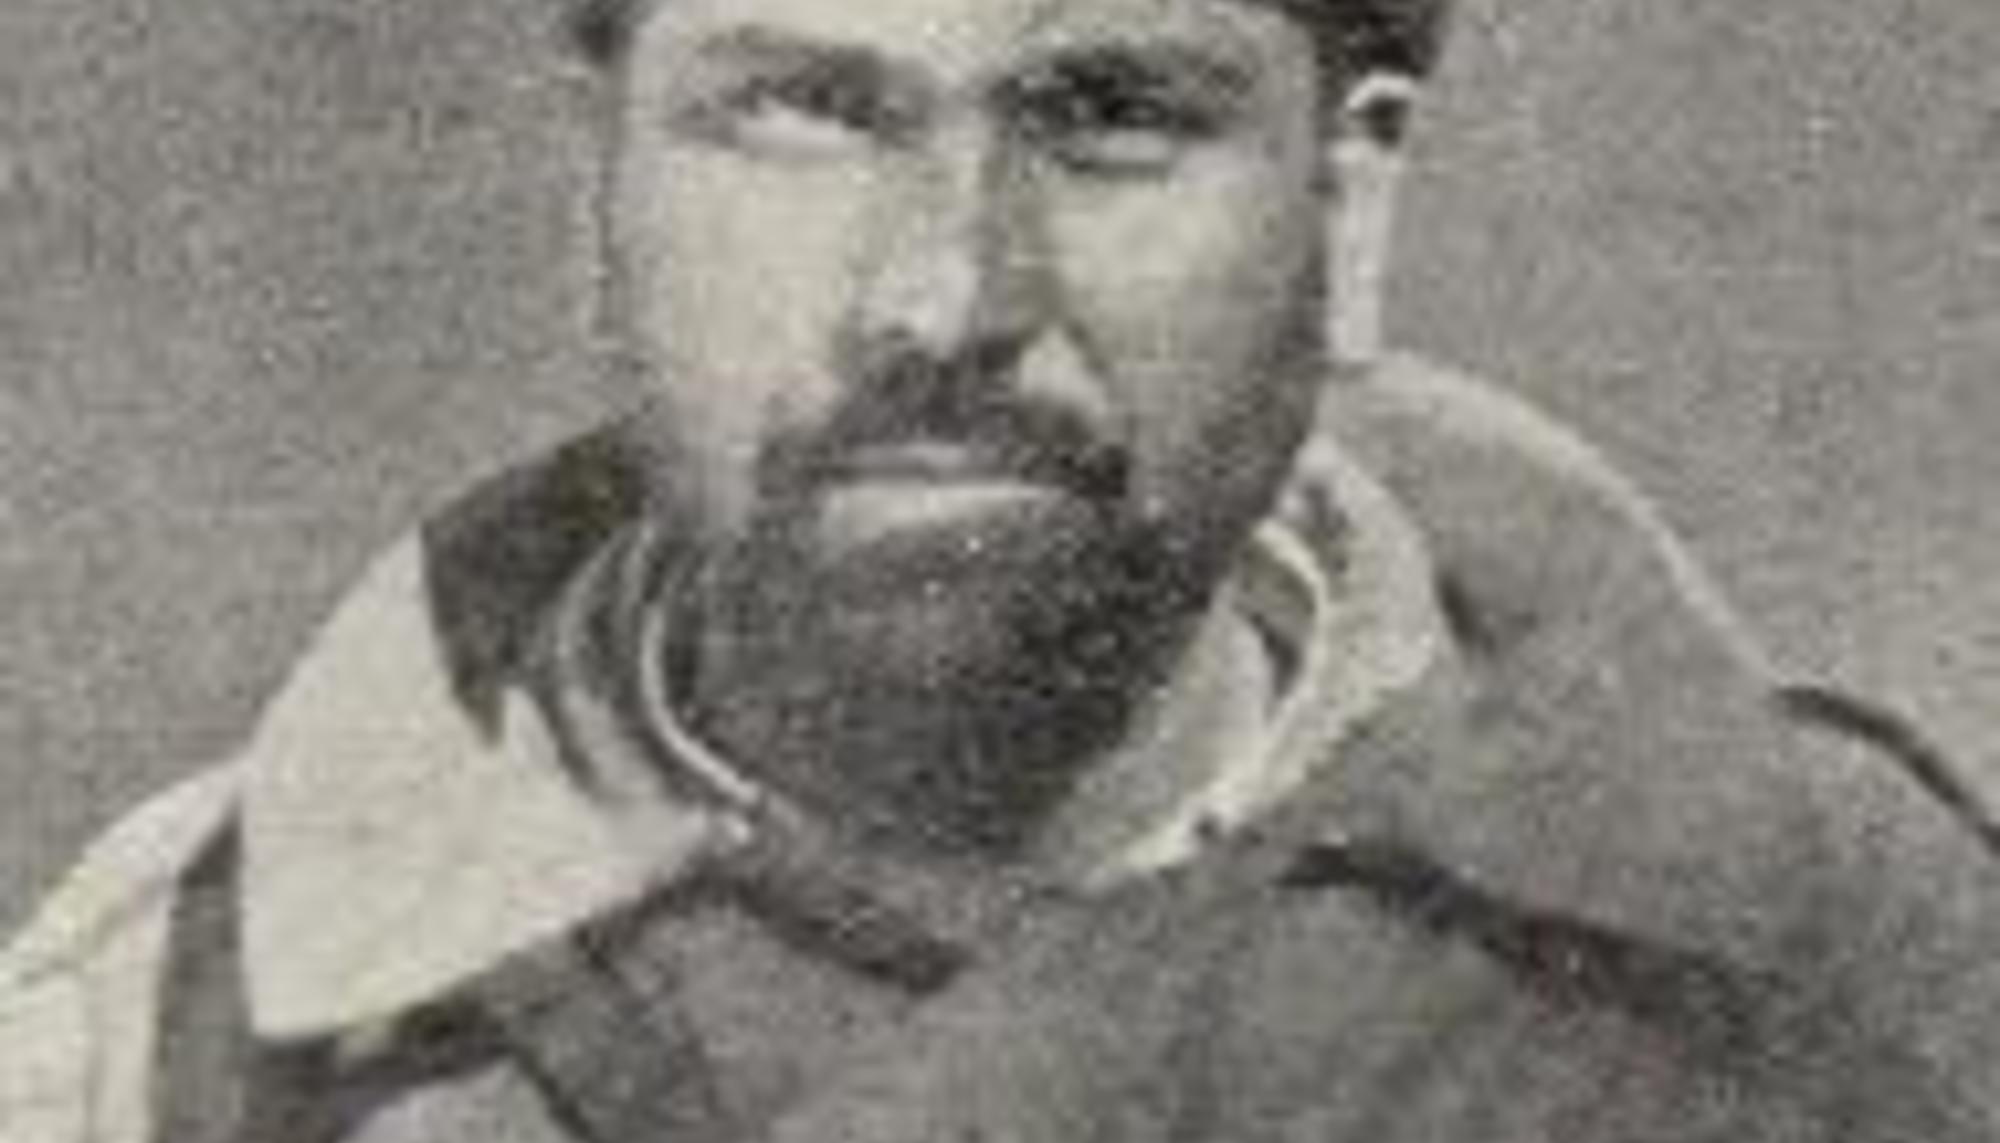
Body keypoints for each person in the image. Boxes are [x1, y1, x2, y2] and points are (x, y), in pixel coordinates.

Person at [3, 0, 1996, 1138]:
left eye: (1110, 115)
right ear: (595, 193)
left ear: (1348, 196)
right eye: (799, 110)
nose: (946, 295)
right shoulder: (151, 1048)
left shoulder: (1859, 972)